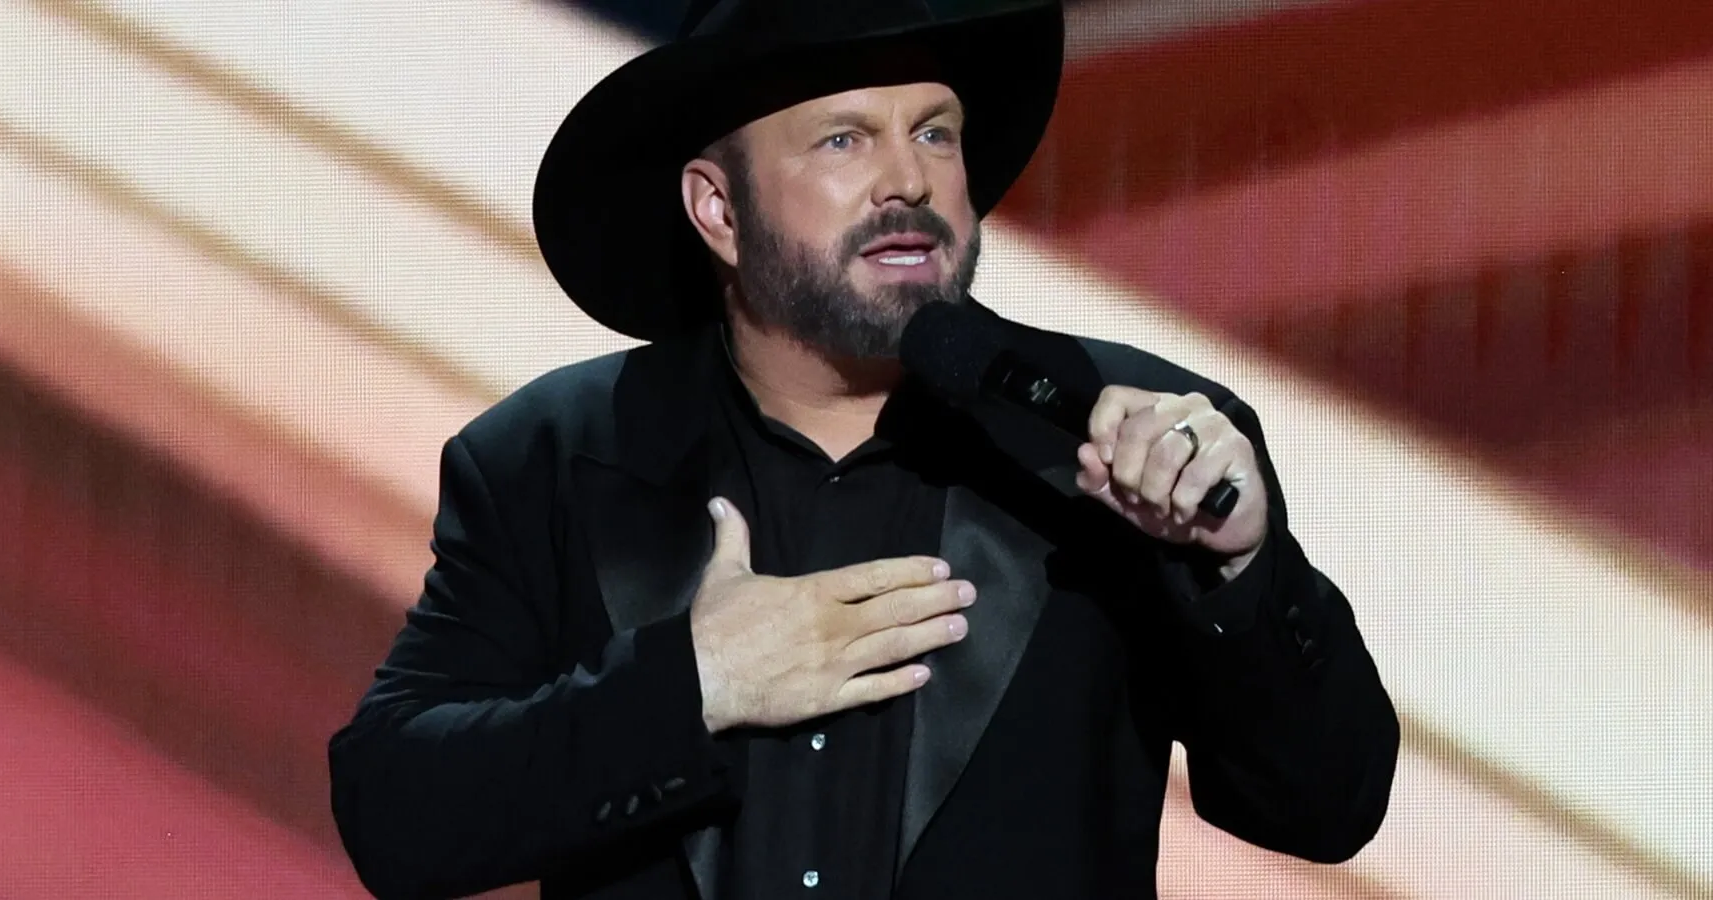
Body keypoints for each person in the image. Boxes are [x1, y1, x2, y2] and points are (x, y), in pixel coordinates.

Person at [326, 0, 1400, 898]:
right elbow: (396, 813)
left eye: (935, 132)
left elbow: (1328, 806)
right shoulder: (550, 458)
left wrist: (1242, 567)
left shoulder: (1121, 433)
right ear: (718, 208)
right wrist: (687, 687)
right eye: (846, 139)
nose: (911, 181)